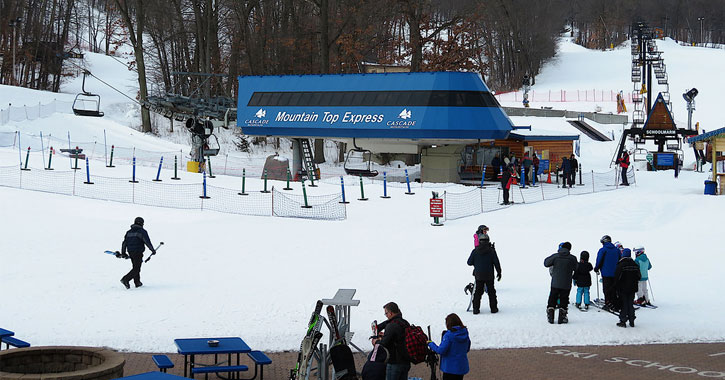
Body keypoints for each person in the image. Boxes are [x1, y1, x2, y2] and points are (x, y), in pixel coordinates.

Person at [427, 313, 470, 380]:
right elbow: (467, 348)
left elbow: (441, 350)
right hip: (461, 367)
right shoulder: (464, 333)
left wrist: (431, 344)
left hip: (450, 369)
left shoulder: (449, 335)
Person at [374, 302, 411, 380]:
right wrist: (385, 335)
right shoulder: (405, 322)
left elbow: (383, 343)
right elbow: (398, 338)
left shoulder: (391, 326)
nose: (386, 316)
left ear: (391, 313)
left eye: (386, 313)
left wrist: (376, 342)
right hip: (406, 362)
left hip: (395, 363)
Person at [544, 242, 578, 324]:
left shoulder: (555, 256)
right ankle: (562, 317)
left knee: (552, 298)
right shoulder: (572, 258)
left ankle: (550, 316)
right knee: (564, 299)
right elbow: (576, 268)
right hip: (566, 283)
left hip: (555, 282)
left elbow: (546, 263)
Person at [466, 233, 501, 314]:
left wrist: (477, 263)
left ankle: (476, 309)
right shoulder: (491, 251)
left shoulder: (475, 251)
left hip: (479, 275)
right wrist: (499, 272)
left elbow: (469, 262)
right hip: (489, 275)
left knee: (478, 292)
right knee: (491, 292)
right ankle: (494, 308)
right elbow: (496, 262)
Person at [120, 217, 155, 289]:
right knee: (137, 268)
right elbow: (147, 241)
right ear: (142, 223)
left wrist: (123, 252)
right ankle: (125, 279)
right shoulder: (142, 232)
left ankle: (137, 282)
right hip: (138, 251)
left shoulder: (129, 232)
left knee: (135, 267)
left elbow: (124, 243)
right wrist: (152, 250)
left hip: (131, 252)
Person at [614, 248, 641, 327]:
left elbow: (617, 277)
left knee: (624, 304)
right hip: (633, 288)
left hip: (623, 288)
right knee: (630, 303)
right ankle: (632, 320)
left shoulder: (621, 264)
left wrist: (615, 286)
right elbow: (639, 276)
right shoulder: (635, 264)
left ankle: (623, 320)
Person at [594, 235, 620, 311]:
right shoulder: (617, 250)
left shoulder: (603, 250)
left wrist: (596, 268)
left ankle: (608, 303)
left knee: (607, 289)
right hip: (616, 273)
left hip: (606, 273)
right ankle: (614, 303)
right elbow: (620, 259)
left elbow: (599, 260)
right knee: (614, 289)